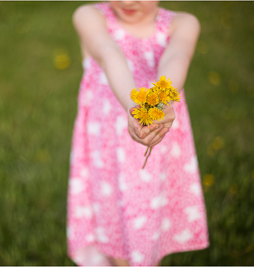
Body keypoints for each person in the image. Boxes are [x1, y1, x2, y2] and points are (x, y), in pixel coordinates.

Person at [66, 1, 208, 265]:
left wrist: (158, 103)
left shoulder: (182, 23)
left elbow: (176, 57)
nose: (128, 1)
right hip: (107, 148)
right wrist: (134, 107)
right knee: (112, 215)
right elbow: (109, 53)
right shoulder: (90, 16)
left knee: (149, 213)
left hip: (157, 145)